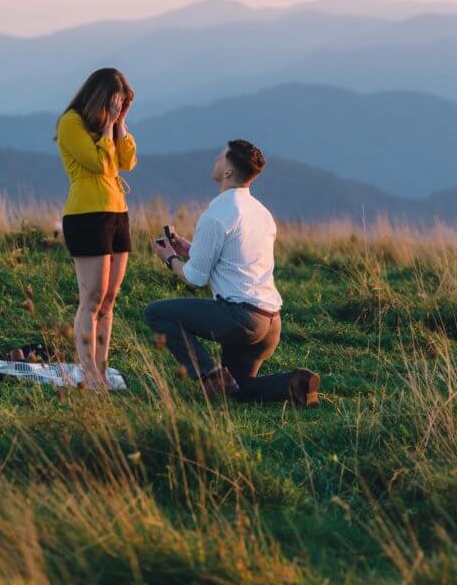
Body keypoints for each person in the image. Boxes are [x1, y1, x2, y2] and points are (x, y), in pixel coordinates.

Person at [146, 139, 320, 406]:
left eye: (219, 157)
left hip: (241, 320)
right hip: (270, 324)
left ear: (227, 171)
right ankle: (293, 384)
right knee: (237, 391)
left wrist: (169, 257)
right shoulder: (262, 213)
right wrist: (189, 250)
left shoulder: (216, 215)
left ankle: (210, 375)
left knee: (156, 313)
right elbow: (236, 261)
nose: (215, 160)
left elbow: (195, 278)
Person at [55, 68, 137, 389]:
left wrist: (120, 126)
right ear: (99, 98)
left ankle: (101, 371)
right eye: (114, 104)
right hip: (87, 214)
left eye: (122, 105)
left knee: (110, 299)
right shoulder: (71, 123)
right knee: (92, 297)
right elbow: (100, 164)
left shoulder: (112, 128)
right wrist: (105, 128)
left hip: (117, 213)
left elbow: (128, 161)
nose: (116, 110)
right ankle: (88, 371)